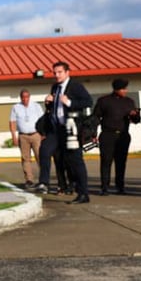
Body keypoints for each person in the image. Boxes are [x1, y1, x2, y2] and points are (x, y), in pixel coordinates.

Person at [41, 61, 93, 204]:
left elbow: (89, 102)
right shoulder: (55, 87)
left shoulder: (75, 86)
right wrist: (48, 102)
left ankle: (83, 193)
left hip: (71, 129)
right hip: (57, 128)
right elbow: (55, 108)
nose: (57, 75)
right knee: (45, 149)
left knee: (75, 161)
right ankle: (43, 182)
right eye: (55, 72)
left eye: (60, 72)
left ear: (67, 72)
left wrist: (70, 103)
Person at [92, 78, 140, 195]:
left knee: (121, 162)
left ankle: (120, 186)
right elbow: (95, 118)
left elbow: (137, 120)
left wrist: (135, 115)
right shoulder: (104, 101)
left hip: (123, 135)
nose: (125, 91)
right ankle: (104, 187)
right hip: (107, 134)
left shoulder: (129, 102)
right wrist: (93, 134)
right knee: (106, 161)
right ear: (116, 89)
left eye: (126, 88)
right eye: (123, 89)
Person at [9, 89, 43, 186]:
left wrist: (43, 134)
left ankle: (43, 179)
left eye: (27, 97)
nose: (25, 99)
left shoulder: (36, 106)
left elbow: (42, 120)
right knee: (25, 158)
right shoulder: (16, 107)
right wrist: (13, 136)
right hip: (23, 136)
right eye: (23, 97)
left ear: (29, 97)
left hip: (36, 135)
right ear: (20, 98)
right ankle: (29, 179)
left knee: (40, 156)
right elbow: (12, 122)